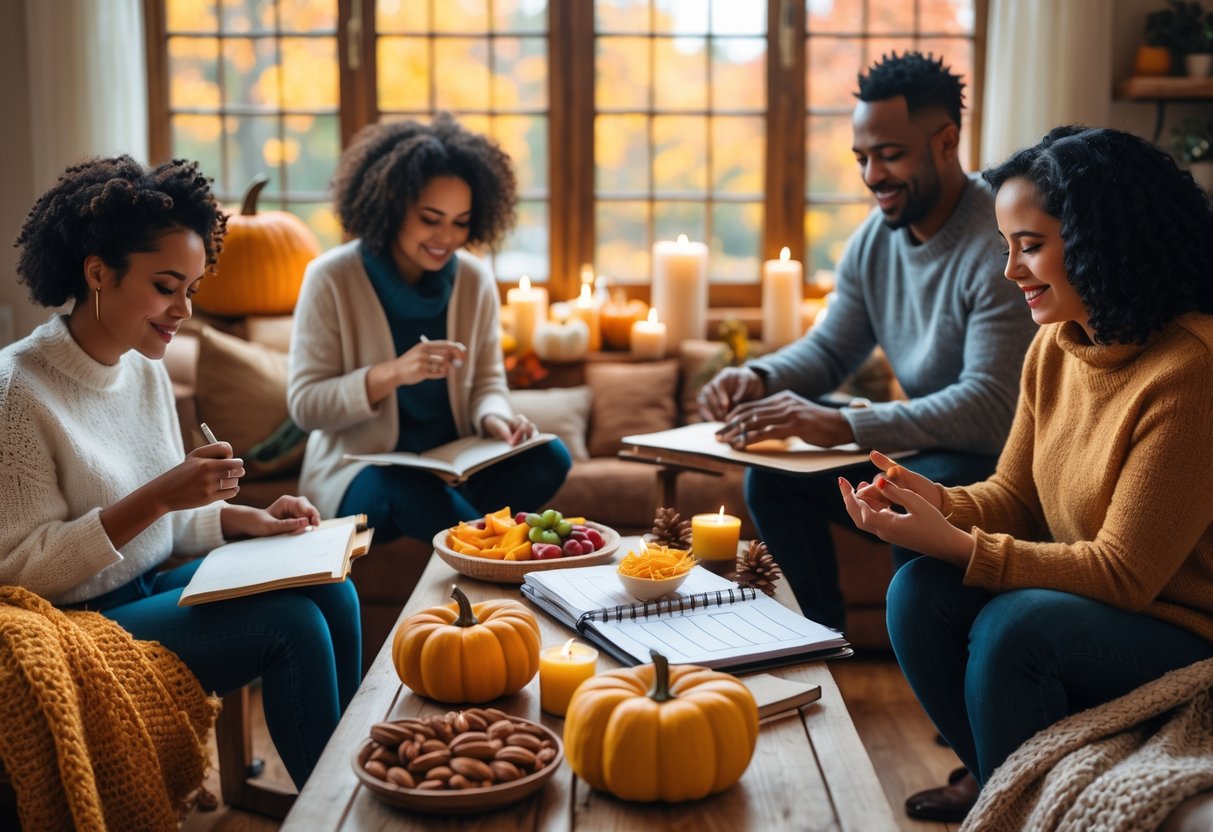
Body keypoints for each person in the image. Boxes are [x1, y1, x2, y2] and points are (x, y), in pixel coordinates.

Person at [839, 126, 1213, 820]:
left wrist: (960, 542)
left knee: (1016, 627)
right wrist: (937, 502)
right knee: (916, 589)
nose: (1008, 269)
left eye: (1029, 245)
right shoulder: (1055, 345)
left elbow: (1122, 574)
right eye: (1005, 243)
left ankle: (1009, 800)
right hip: (1104, 607)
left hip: (1185, 630)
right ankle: (1003, 792)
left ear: (1104, 242)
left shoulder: (1190, 370)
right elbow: (1012, 496)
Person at [0, 155, 361, 789]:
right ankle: (335, 809)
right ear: (98, 274)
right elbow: (22, 571)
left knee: (332, 585)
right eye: (167, 287)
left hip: (146, 589)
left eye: (191, 289)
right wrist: (161, 495)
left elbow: (169, 524)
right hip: (75, 623)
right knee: (291, 624)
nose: (183, 310)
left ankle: (365, 776)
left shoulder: (145, 367)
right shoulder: (16, 391)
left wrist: (246, 520)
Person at [698, 52, 1035, 634]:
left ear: (946, 141)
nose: (872, 175)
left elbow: (989, 409)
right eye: (862, 157)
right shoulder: (874, 242)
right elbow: (832, 348)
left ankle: (944, 683)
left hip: (998, 459)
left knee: (907, 486)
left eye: (890, 154)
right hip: (929, 445)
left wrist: (846, 425)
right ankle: (816, 640)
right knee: (774, 476)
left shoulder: (997, 240)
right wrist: (759, 378)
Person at [288, 114, 571, 542]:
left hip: (457, 468)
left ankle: (475, 544)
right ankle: (491, 551)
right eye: (431, 218)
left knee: (550, 455)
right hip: (363, 471)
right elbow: (306, 406)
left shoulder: (474, 281)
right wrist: (393, 374)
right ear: (392, 205)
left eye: (461, 222)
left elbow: (488, 383)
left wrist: (495, 417)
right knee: (402, 486)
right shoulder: (330, 278)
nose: (447, 237)